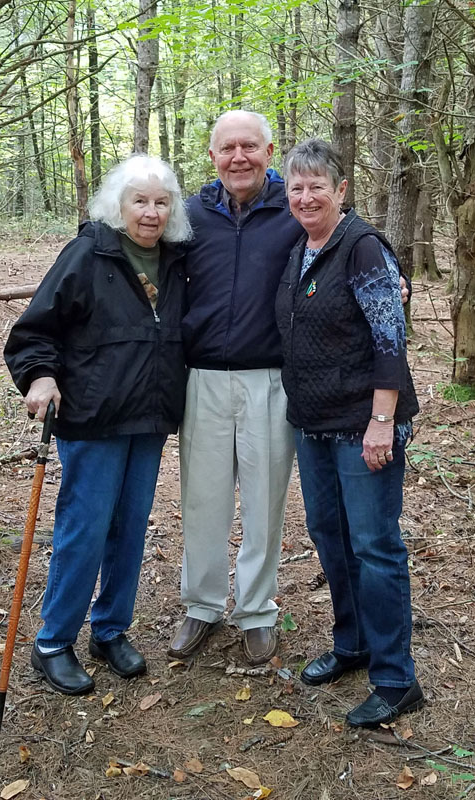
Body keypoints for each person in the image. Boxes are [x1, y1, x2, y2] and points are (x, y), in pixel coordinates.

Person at [4, 155, 191, 694]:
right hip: (92, 417)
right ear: (119, 205)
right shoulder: (89, 253)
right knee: (84, 532)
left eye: (161, 202)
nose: (151, 213)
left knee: (130, 529)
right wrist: (39, 376)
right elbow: (34, 329)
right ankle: (53, 642)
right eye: (140, 201)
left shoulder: (178, 260)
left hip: (149, 416)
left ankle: (109, 630)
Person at [275, 138, 423, 727]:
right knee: (330, 537)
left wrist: (382, 422)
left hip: (364, 429)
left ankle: (395, 677)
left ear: (341, 190)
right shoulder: (302, 248)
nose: (306, 197)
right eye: (296, 187)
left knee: (374, 547)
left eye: (318, 186)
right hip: (313, 424)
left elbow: (391, 341)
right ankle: (352, 643)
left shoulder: (361, 248)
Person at [167, 111, 306, 666]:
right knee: (203, 498)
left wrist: (391, 273)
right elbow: (135, 243)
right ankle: (200, 605)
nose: (239, 157)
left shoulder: (293, 210)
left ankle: (255, 610)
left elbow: (344, 243)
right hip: (202, 378)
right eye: (228, 148)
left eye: (250, 146)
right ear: (212, 157)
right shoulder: (190, 215)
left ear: (270, 151)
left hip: (270, 378)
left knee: (265, 498)